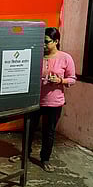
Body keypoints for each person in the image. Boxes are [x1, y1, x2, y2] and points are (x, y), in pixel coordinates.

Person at [10, 27, 76, 172]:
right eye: (42, 42)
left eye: (47, 42)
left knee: (49, 132)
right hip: (33, 101)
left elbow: (72, 79)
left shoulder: (65, 58)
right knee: (28, 129)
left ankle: (45, 159)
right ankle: (24, 154)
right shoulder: (36, 56)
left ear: (56, 41)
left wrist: (60, 80)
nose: (44, 45)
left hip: (54, 102)